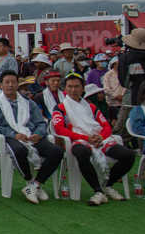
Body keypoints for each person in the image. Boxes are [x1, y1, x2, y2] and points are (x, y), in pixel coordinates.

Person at [52, 73, 134, 206]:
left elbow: (106, 126)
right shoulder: (60, 107)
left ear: (83, 88)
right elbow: (60, 129)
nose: (73, 90)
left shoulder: (92, 107)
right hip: (77, 141)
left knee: (128, 155)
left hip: (99, 139)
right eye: (70, 87)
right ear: (65, 89)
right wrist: (85, 138)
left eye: (77, 86)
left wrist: (100, 137)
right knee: (82, 152)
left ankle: (107, 185)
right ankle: (98, 191)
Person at [0, 71, 63, 204]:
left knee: (57, 152)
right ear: (1, 85)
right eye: (7, 82)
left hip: (30, 136)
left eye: (13, 82)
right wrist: (14, 135)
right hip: (10, 137)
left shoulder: (28, 103)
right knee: (20, 151)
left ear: (18, 85)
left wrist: (38, 134)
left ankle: (35, 184)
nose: (10, 85)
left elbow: (40, 122)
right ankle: (30, 180)